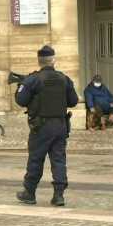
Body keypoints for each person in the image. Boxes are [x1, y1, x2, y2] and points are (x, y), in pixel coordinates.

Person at [14, 45, 78, 207]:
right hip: (60, 125)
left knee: (36, 159)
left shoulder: (33, 79)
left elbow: (21, 100)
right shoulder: (64, 78)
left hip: (41, 126)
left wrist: (20, 87)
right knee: (58, 159)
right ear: (53, 60)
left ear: (39, 61)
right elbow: (74, 101)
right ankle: (59, 195)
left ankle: (29, 192)